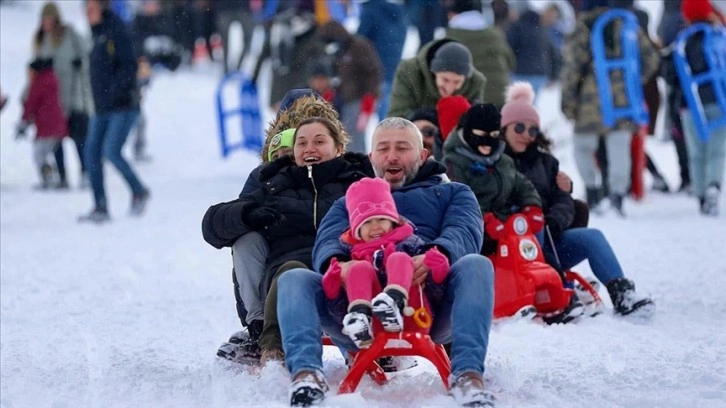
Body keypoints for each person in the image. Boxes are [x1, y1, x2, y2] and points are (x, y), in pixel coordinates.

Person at [276, 117, 495, 407]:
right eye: (383, 148)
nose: (392, 156)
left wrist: (434, 255)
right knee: (294, 279)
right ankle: (306, 375)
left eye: (402, 148)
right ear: (371, 157)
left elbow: (464, 232)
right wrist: (339, 264)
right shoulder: (351, 201)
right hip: (355, 303)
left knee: (476, 265)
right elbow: (327, 240)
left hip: (429, 299)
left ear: (422, 155)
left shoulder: (454, 193)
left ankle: (467, 376)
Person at [203, 116, 374, 366]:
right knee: (275, 261)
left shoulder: (358, 182)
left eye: (319, 141)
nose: (309, 149)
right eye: (302, 143)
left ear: (338, 148)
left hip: (343, 267)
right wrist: (247, 214)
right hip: (285, 272)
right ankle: (265, 338)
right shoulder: (276, 185)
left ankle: (368, 344)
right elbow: (212, 226)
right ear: (294, 153)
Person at [501, 81, 655, 317]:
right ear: (504, 128)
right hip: (515, 247)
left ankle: (621, 293)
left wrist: (554, 220)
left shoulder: (546, 161)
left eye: (532, 130)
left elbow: (563, 200)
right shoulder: (497, 162)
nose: (526, 135)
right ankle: (561, 292)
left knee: (592, 237)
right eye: (519, 128)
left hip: (548, 238)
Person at [321, 177, 450, 348]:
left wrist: (439, 272)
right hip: (373, 331)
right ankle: (360, 317)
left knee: (399, 257)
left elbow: (435, 295)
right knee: (359, 268)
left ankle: (393, 302)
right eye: (366, 222)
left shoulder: (410, 245)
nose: (375, 227)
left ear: (393, 221)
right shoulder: (352, 257)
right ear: (357, 230)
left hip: (414, 317)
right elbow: (338, 313)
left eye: (381, 219)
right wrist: (333, 292)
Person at [560, 0, 659, 216]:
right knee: (619, 148)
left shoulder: (583, 26)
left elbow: (572, 67)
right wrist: (630, 80)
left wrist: (567, 101)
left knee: (583, 146)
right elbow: (650, 58)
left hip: (590, 100)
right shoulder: (625, 23)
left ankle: (593, 190)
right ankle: (617, 196)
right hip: (623, 99)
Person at [79, 0, 150, 223]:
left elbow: (129, 66)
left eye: (91, 8)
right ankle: (100, 205)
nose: (87, 12)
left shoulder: (116, 30)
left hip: (122, 105)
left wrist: (114, 92)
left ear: (102, 7)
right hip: (101, 106)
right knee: (91, 153)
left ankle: (138, 190)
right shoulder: (96, 33)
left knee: (111, 151)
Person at [671, 0, 726, 215]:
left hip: (690, 105)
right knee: (717, 150)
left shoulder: (681, 41)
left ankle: (701, 193)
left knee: (696, 151)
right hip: (718, 100)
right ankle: (714, 185)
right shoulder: (718, 36)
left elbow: (671, 77)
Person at [33, 2, 94, 189]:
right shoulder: (41, 40)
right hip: (53, 99)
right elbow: (37, 70)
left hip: (74, 93)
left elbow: (88, 56)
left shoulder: (70, 35)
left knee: (78, 137)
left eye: (49, 19)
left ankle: (85, 172)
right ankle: (62, 176)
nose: (47, 23)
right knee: (56, 138)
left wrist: (80, 64)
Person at [317, 21, 382, 153]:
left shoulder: (359, 46)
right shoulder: (333, 51)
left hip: (358, 99)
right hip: (339, 100)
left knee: (353, 139)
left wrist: (369, 98)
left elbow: (373, 72)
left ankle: (358, 169)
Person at [387, 38, 486, 119]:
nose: (449, 88)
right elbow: (397, 117)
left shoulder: (475, 82)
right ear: (434, 73)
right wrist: (424, 117)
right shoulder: (409, 72)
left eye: (457, 82)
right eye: (445, 80)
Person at [444, 0, 516, 109]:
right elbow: (511, 63)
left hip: (472, 98)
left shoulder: (451, 37)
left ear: (454, 13)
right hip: (502, 95)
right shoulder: (495, 34)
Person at [15, 58, 68, 189]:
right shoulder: (52, 79)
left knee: (39, 154)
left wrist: (23, 124)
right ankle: (56, 178)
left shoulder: (38, 83)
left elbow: (31, 105)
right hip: (57, 124)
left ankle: (50, 179)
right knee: (44, 154)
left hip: (47, 126)